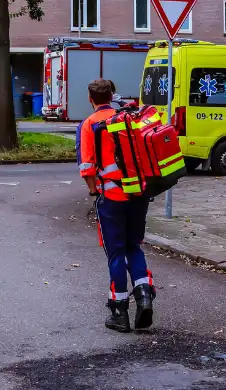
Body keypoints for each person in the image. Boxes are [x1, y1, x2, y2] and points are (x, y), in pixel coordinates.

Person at [77, 78, 155, 333]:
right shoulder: (129, 117)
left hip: (111, 197)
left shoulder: (89, 124)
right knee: (134, 246)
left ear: (91, 99)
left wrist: (93, 191)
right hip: (138, 194)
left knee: (115, 253)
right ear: (111, 95)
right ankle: (144, 295)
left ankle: (119, 311)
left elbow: (87, 166)